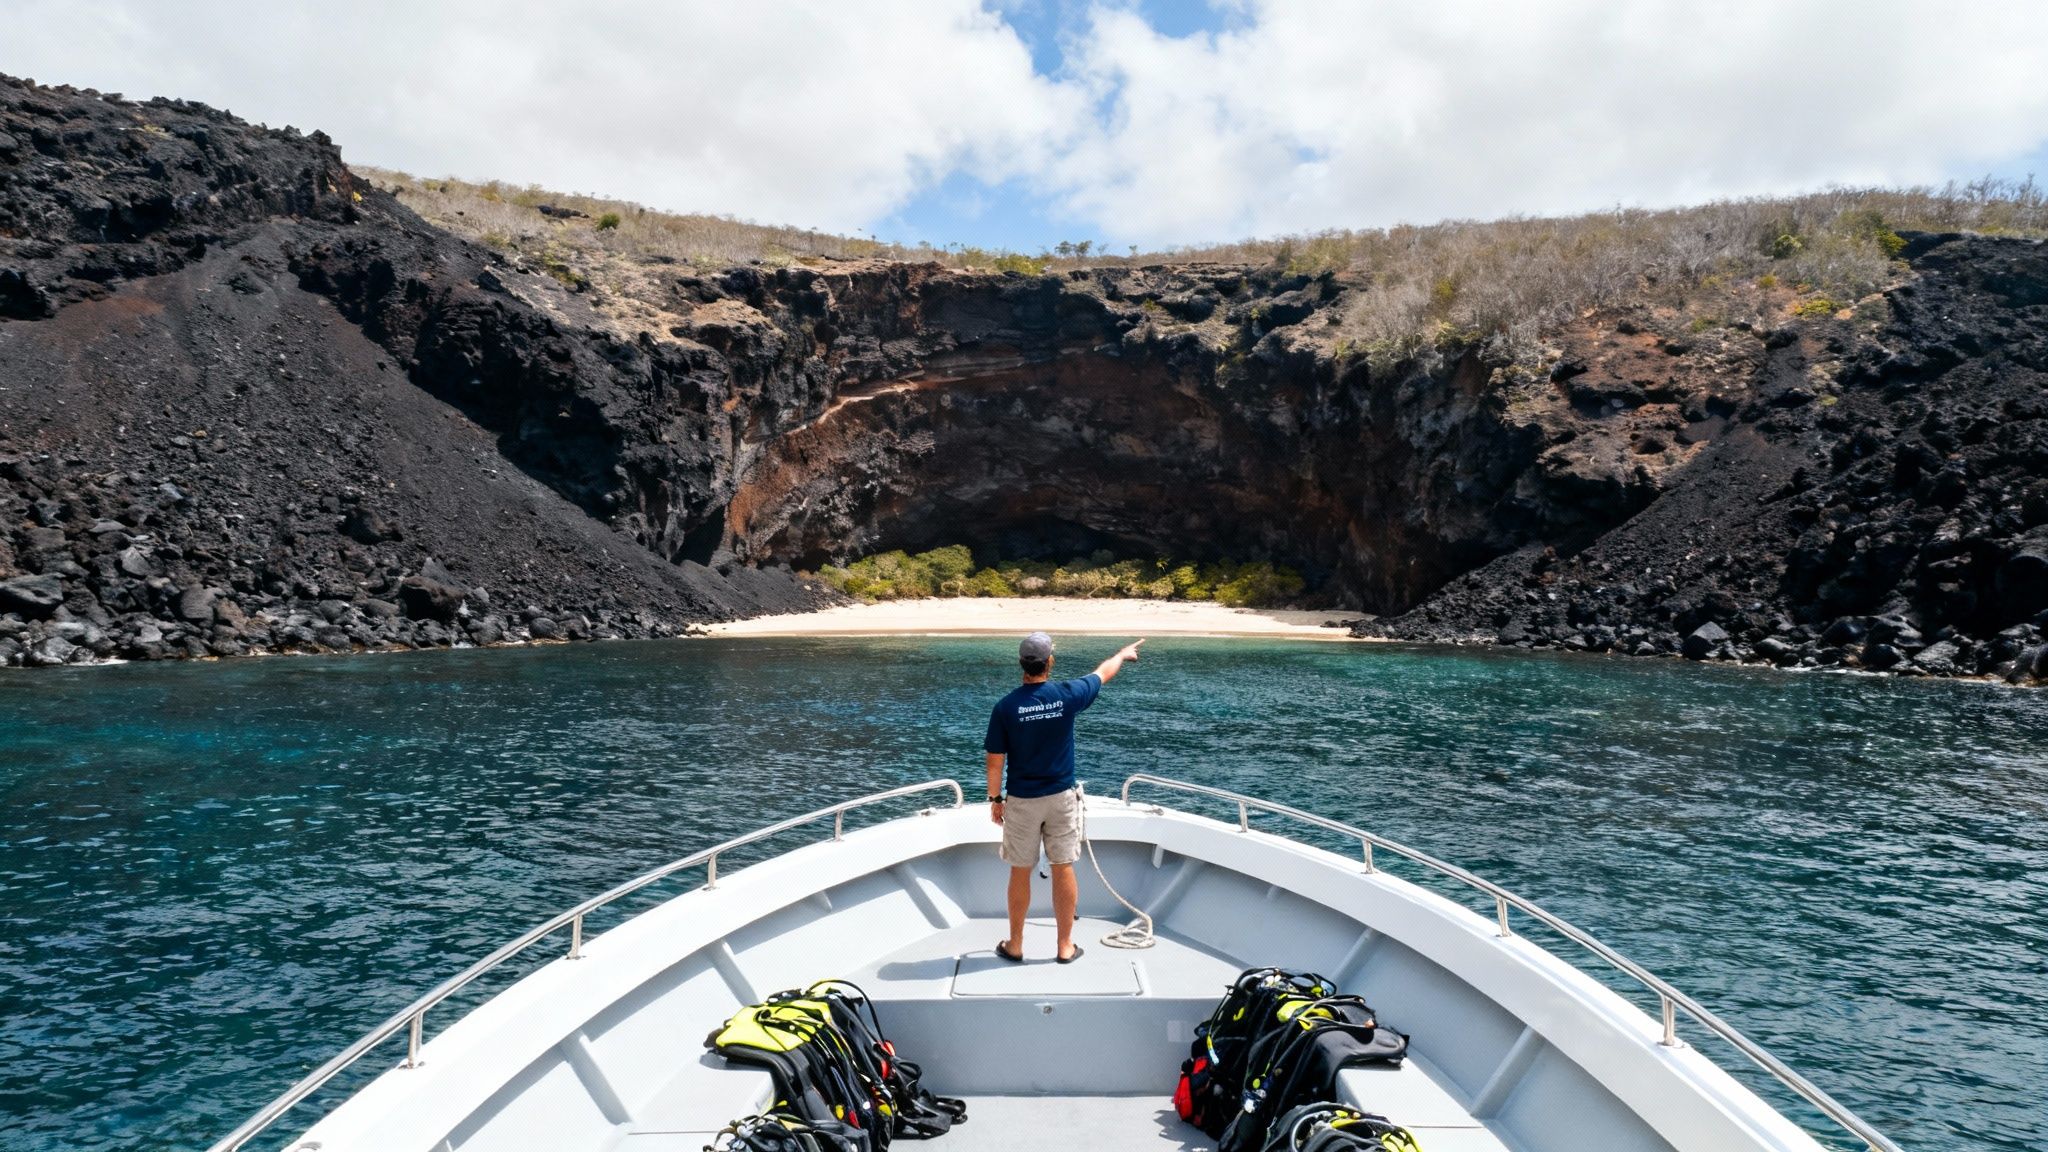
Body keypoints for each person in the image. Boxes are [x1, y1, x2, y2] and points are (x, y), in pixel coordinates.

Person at [984, 631, 1145, 963]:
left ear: (1021, 664)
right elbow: (1103, 673)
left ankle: (1015, 945)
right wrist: (1122, 653)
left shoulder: (1006, 707)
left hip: (1023, 800)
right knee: (1063, 867)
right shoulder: (1067, 695)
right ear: (1050, 662)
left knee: (1020, 870)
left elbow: (995, 760)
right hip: (1061, 797)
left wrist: (995, 800)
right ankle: (1065, 946)